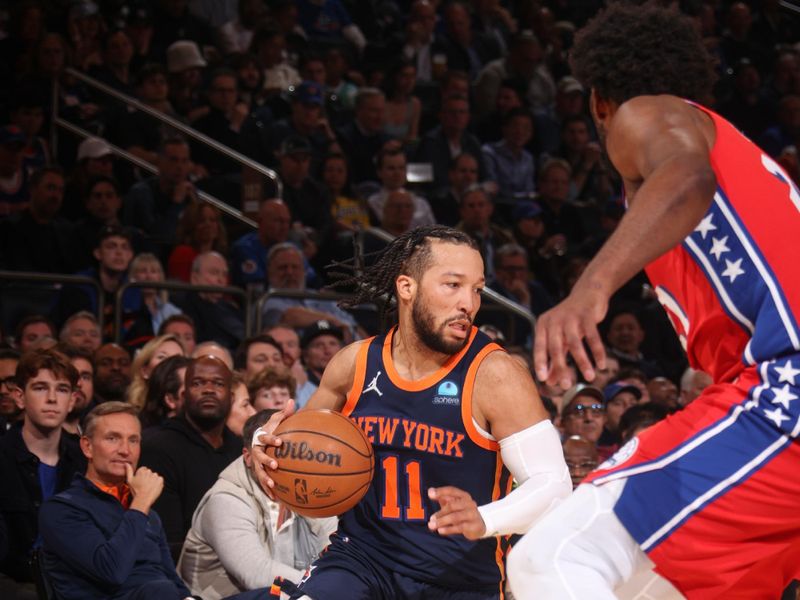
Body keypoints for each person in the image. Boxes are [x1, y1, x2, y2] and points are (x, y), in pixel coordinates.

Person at [509, 3, 800, 599]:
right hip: (771, 412)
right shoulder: (749, 159)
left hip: (784, 391)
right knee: (652, 588)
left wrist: (590, 287)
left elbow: (688, 177)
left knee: (555, 557)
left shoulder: (648, 114)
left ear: (598, 101)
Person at [252, 226, 570, 599]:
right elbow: (299, 450)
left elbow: (555, 485)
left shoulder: (495, 374)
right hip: (362, 561)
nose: (468, 302)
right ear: (407, 287)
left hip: (457, 579)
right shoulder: (355, 364)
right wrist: (268, 448)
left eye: (477, 289)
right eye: (453, 285)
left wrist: (487, 518)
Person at [38, 401, 193, 600]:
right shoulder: (61, 510)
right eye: (113, 438)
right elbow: (111, 570)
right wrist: (141, 504)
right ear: (87, 447)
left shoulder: (148, 514)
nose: (125, 450)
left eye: (133, 440)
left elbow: (174, 581)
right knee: (159, 590)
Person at [179, 410, 336, 599]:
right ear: (249, 456)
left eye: (292, 451)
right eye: (276, 452)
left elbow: (334, 548)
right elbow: (257, 574)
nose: (286, 461)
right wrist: (325, 590)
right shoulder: (225, 500)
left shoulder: (305, 485)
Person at [139, 356, 243, 556]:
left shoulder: (240, 450)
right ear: (184, 395)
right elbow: (166, 539)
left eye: (218, 383)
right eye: (198, 383)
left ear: (231, 397)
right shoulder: (159, 449)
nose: (209, 390)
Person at [0, 349, 84, 588]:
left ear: (72, 401)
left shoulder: (84, 460)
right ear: (19, 397)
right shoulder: (3, 458)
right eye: (40, 388)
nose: (52, 398)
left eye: (62, 389)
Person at [126, 334, 185, 412]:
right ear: (145, 371)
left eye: (177, 359)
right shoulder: (130, 415)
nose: (171, 364)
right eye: (162, 357)